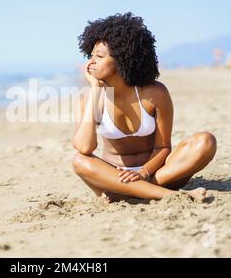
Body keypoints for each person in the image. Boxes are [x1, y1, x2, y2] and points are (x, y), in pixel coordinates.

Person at [72, 12, 217, 203]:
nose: (91, 62)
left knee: (205, 141)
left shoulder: (155, 93)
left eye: (99, 56)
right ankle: (170, 195)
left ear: (122, 58)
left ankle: (134, 192)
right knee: (79, 161)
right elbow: (84, 147)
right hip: (114, 177)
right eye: (91, 56)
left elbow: (163, 147)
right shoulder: (89, 98)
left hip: (157, 173)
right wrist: (95, 90)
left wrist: (143, 172)